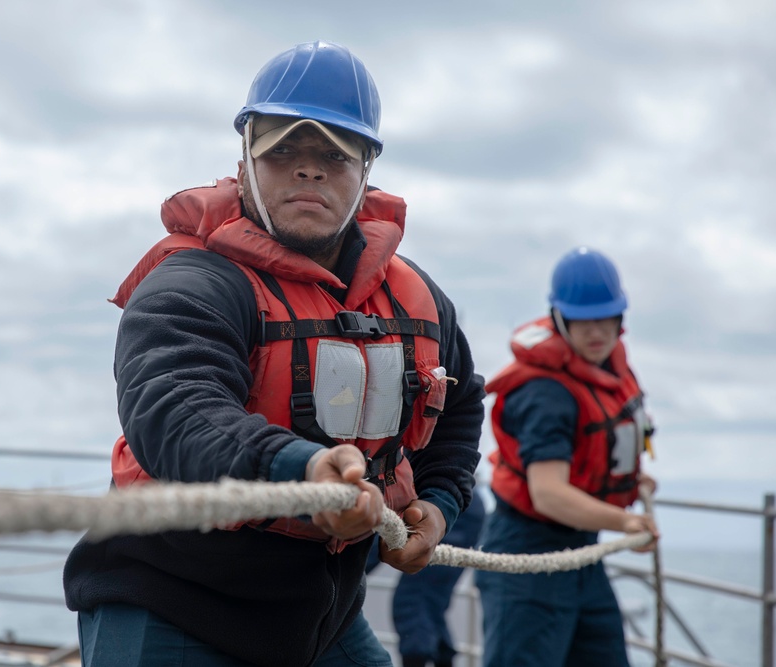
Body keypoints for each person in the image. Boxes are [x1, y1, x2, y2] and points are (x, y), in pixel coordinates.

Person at [62, 40, 485, 667]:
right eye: (283, 148)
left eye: (334, 154)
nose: (308, 169)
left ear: (365, 169)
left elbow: (460, 405)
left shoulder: (417, 301)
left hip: (320, 616)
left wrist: (442, 504)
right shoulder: (195, 285)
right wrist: (304, 473)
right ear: (246, 158)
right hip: (172, 599)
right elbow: (175, 410)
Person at [475, 247, 659, 667]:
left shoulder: (608, 371)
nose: (596, 332)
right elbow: (549, 494)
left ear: (620, 319)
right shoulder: (545, 394)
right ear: (560, 320)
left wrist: (633, 484)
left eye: (606, 318)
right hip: (527, 555)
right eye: (582, 320)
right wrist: (626, 521)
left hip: (582, 555)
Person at [365, 483, 485, 667]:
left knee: (414, 601)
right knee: (426, 605)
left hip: (443, 507)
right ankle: (439, 656)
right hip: (449, 500)